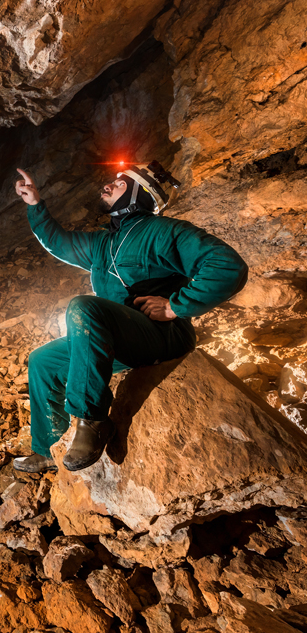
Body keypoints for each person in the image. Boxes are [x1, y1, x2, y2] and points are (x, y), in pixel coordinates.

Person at [13, 161, 248, 472]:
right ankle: (48, 449)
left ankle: (93, 421)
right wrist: (35, 204)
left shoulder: (164, 231)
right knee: (43, 361)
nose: (107, 186)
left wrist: (175, 306)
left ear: (139, 193)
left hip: (162, 336)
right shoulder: (104, 243)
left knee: (84, 307)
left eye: (120, 183)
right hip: (121, 338)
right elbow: (59, 243)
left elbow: (228, 265)